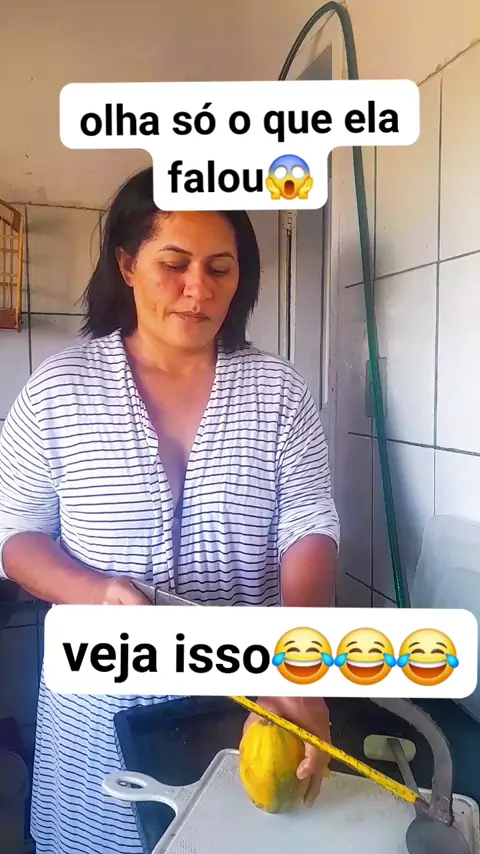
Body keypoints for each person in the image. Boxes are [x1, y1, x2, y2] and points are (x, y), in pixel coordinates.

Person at [0, 166, 339, 854]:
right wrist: (94, 591)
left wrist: (296, 661)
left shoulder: (279, 391)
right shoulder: (59, 389)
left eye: (220, 268)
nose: (199, 289)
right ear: (128, 265)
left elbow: (309, 525)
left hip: (244, 699)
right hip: (97, 708)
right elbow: (16, 536)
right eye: (174, 264)